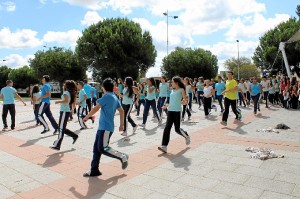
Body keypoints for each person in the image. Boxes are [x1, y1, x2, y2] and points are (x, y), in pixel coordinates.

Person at [82, 78, 128, 177]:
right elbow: (121, 111)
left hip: (106, 128)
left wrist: (87, 117)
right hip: (103, 127)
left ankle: (122, 156)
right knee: (96, 149)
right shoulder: (114, 97)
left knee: (103, 148)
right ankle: (94, 170)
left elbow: (96, 108)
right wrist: (121, 125)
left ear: (103, 88)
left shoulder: (107, 96)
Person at [158, 76, 190, 153]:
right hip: (170, 111)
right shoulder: (172, 90)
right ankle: (164, 146)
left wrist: (184, 101)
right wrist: (166, 106)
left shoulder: (181, 90)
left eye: (172, 82)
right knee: (167, 128)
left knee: (177, 129)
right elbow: (171, 101)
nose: (171, 83)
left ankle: (186, 136)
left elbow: (185, 99)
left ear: (176, 83)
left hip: (177, 111)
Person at [50, 80, 79, 150]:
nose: (63, 85)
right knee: (61, 127)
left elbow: (66, 101)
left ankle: (57, 145)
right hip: (65, 112)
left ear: (67, 86)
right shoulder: (70, 93)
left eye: (64, 84)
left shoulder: (66, 92)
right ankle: (74, 135)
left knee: (60, 128)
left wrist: (58, 101)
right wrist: (72, 109)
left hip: (64, 112)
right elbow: (72, 103)